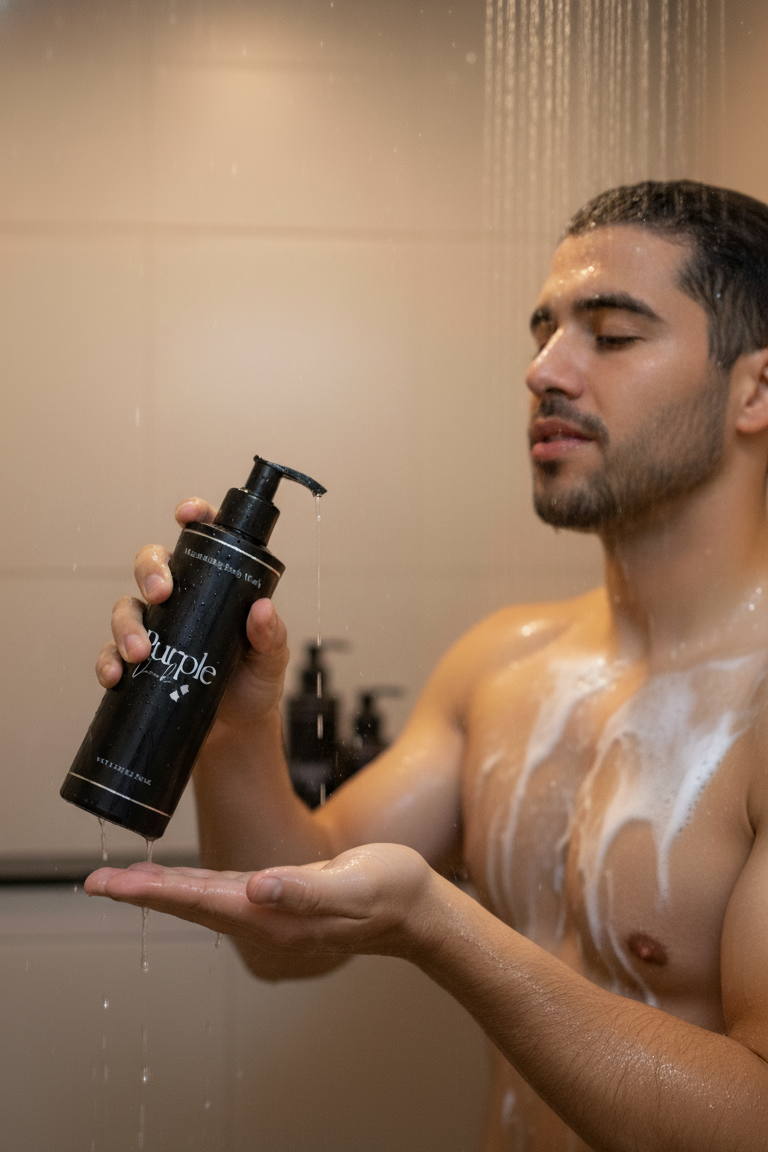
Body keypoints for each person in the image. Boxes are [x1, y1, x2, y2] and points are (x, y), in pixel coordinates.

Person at [85, 180, 768, 1151]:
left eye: (610, 335)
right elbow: (292, 931)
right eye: (544, 330)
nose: (546, 369)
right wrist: (231, 725)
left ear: (756, 390)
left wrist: (439, 927)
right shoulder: (508, 667)